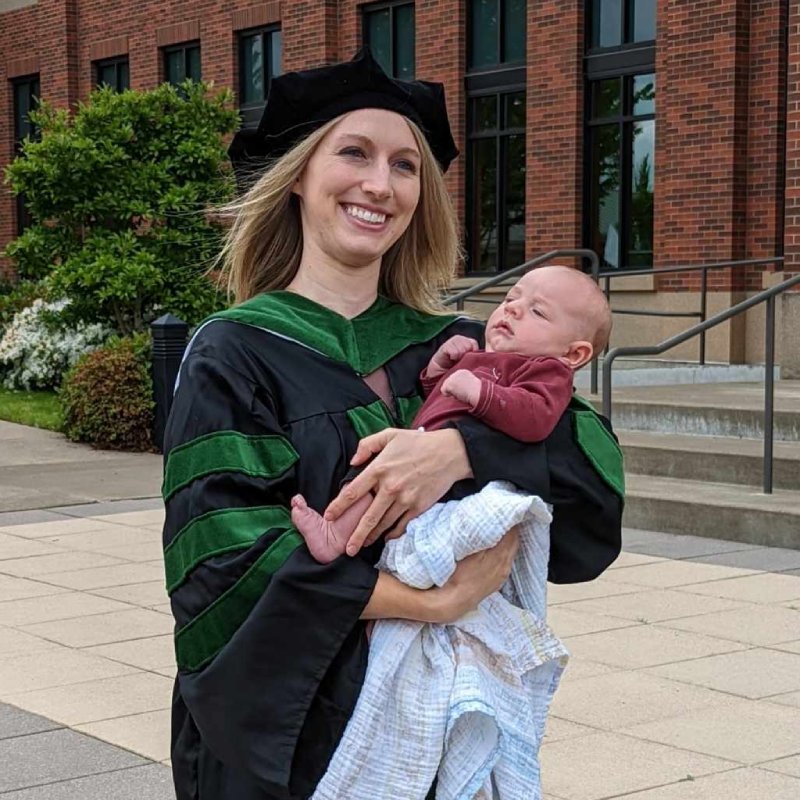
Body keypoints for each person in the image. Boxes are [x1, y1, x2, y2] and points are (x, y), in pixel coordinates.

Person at [161, 49, 623, 800]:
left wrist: (456, 449)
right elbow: (222, 567)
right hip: (291, 736)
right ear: (300, 176)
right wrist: (430, 601)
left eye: (406, 165)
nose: (381, 183)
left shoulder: (463, 348)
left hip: (442, 732)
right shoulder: (235, 350)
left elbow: (593, 504)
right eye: (355, 153)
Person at [291, 264, 612, 563]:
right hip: (419, 447)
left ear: (573, 353)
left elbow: (536, 417)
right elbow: (443, 401)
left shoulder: (546, 370)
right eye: (511, 298)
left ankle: (415, 561)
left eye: (538, 311)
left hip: (462, 486)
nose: (512, 308)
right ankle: (335, 533)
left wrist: (479, 393)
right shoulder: (482, 355)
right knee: (371, 469)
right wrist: (438, 370)